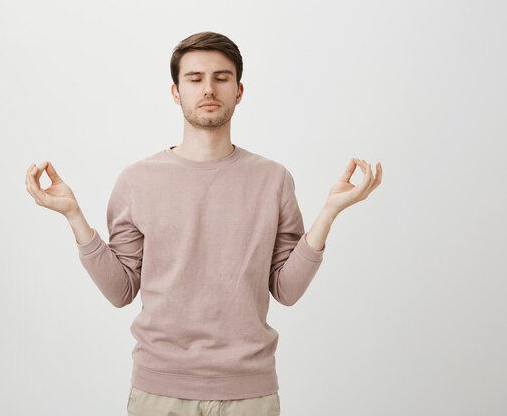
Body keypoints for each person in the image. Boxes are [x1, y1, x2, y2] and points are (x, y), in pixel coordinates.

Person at [25, 31, 382, 416]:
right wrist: (74, 216)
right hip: (159, 390)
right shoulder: (137, 180)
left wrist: (328, 212)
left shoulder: (273, 179)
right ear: (176, 92)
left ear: (239, 90)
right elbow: (121, 290)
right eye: (195, 79)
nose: (208, 89)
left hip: (249, 391)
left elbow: (286, 289)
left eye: (221, 78)